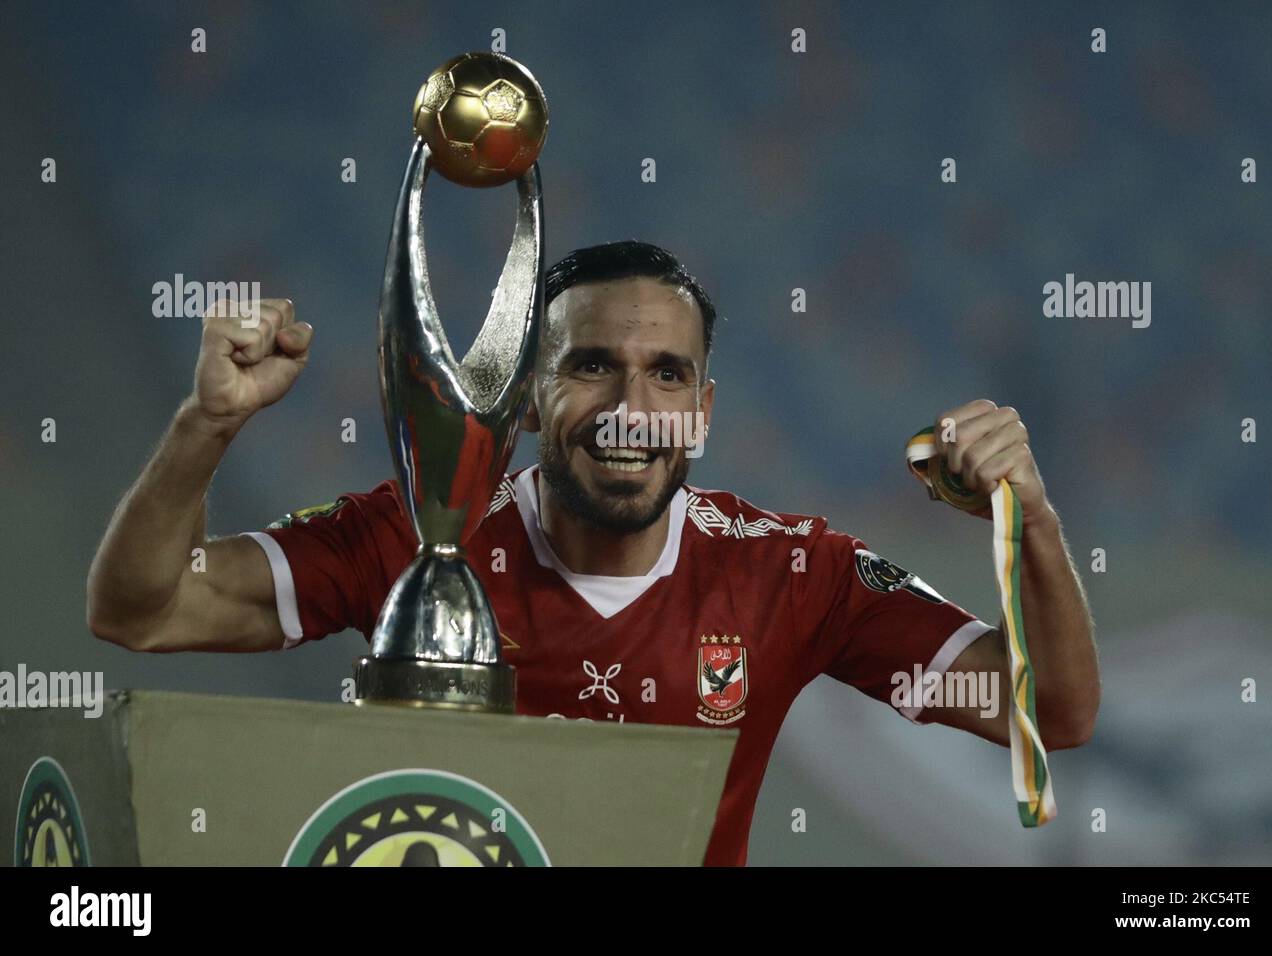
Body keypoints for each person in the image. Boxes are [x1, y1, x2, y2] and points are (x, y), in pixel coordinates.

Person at [87, 240, 1100, 866]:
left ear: (701, 412)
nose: (630, 409)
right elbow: (145, 607)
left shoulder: (791, 570)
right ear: (530, 395)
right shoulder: (426, 535)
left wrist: (1038, 526)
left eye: (667, 374)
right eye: (590, 366)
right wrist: (204, 427)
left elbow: (1051, 712)